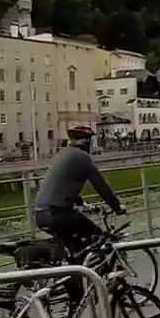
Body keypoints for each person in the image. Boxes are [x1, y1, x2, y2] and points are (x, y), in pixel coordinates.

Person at [33, 124, 123, 304]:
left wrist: (82, 203)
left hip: (41, 213)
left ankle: (78, 289)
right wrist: (118, 207)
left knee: (76, 249)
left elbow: (65, 184)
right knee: (99, 238)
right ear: (87, 141)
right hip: (59, 214)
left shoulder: (63, 154)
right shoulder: (83, 158)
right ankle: (96, 285)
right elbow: (101, 186)